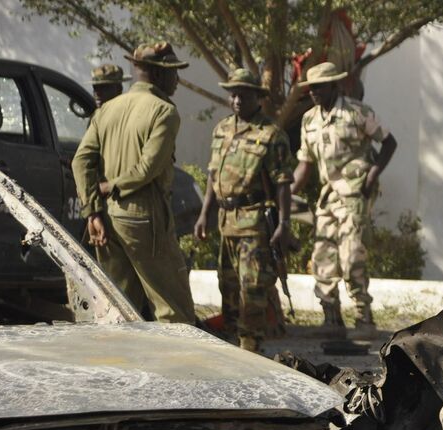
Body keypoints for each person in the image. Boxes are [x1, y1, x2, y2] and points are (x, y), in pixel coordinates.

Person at [72, 41, 195, 324]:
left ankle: (117, 367)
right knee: (173, 311)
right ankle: (176, 369)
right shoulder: (164, 111)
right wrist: (111, 185)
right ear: (159, 74)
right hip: (144, 218)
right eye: (174, 72)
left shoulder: (107, 109)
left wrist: (92, 211)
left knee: (119, 308)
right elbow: (147, 168)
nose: (177, 79)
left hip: (107, 218)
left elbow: (81, 161)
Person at [291, 61, 397, 336]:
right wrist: (288, 192)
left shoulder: (357, 112)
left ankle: (364, 318)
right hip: (328, 196)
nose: (314, 92)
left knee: (351, 257)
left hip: (355, 193)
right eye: (311, 88)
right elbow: (305, 163)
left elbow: (389, 142)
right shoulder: (309, 119)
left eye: (320, 87)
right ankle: (331, 319)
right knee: (322, 257)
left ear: (334, 86)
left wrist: (372, 176)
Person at [194, 68, 293, 353]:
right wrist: (204, 215)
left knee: (252, 289)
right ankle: (232, 345)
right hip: (226, 221)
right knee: (228, 286)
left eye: (244, 94)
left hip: (254, 222)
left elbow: (283, 182)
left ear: (256, 97)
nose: (237, 100)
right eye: (233, 94)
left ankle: (251, 348)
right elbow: (213, 176)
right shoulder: (222, 129)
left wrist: (284, 224)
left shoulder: (271, 134)